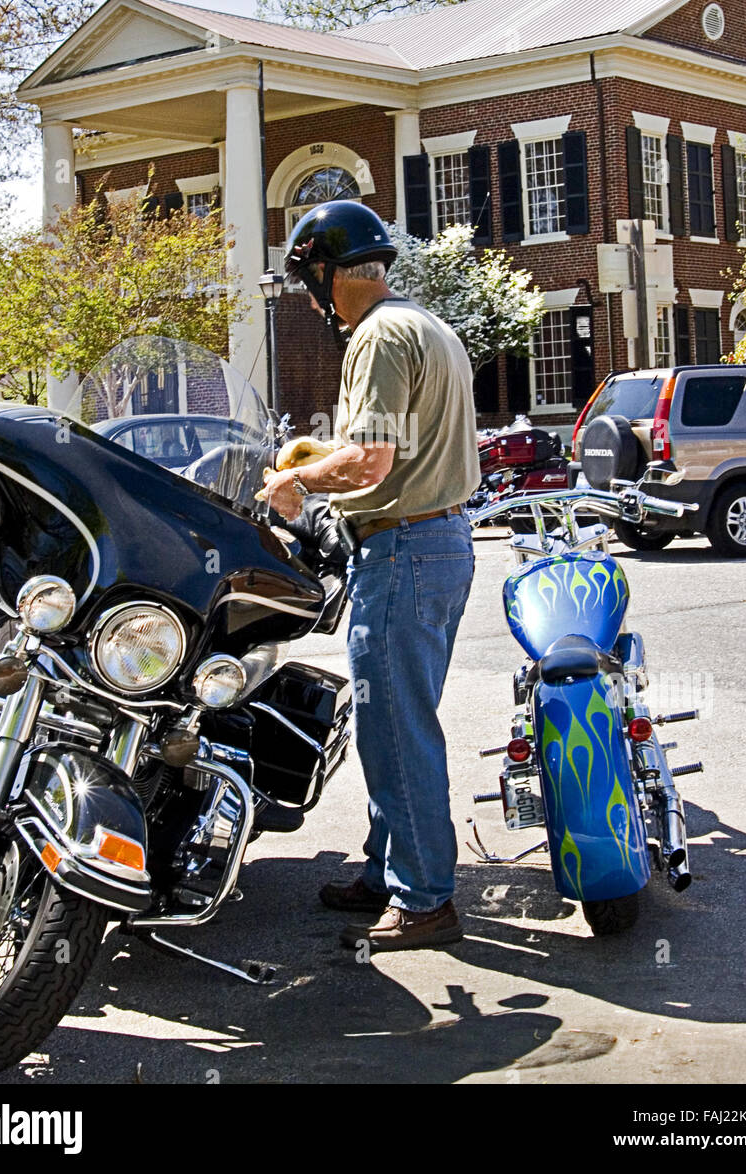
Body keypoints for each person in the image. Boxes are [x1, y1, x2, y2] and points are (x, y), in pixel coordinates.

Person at [262, 200, 479, 952]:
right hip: (440, 540)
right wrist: (319, 452)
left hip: (404, 548)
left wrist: (295, 484)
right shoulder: (423, 326)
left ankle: (424, 901)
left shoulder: (377, 337)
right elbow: (389, 444)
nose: (310, 297)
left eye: (308, 281)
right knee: (398, 722)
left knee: (395, 730)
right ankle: (388, 871)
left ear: (326, 273)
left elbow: (372, 461)